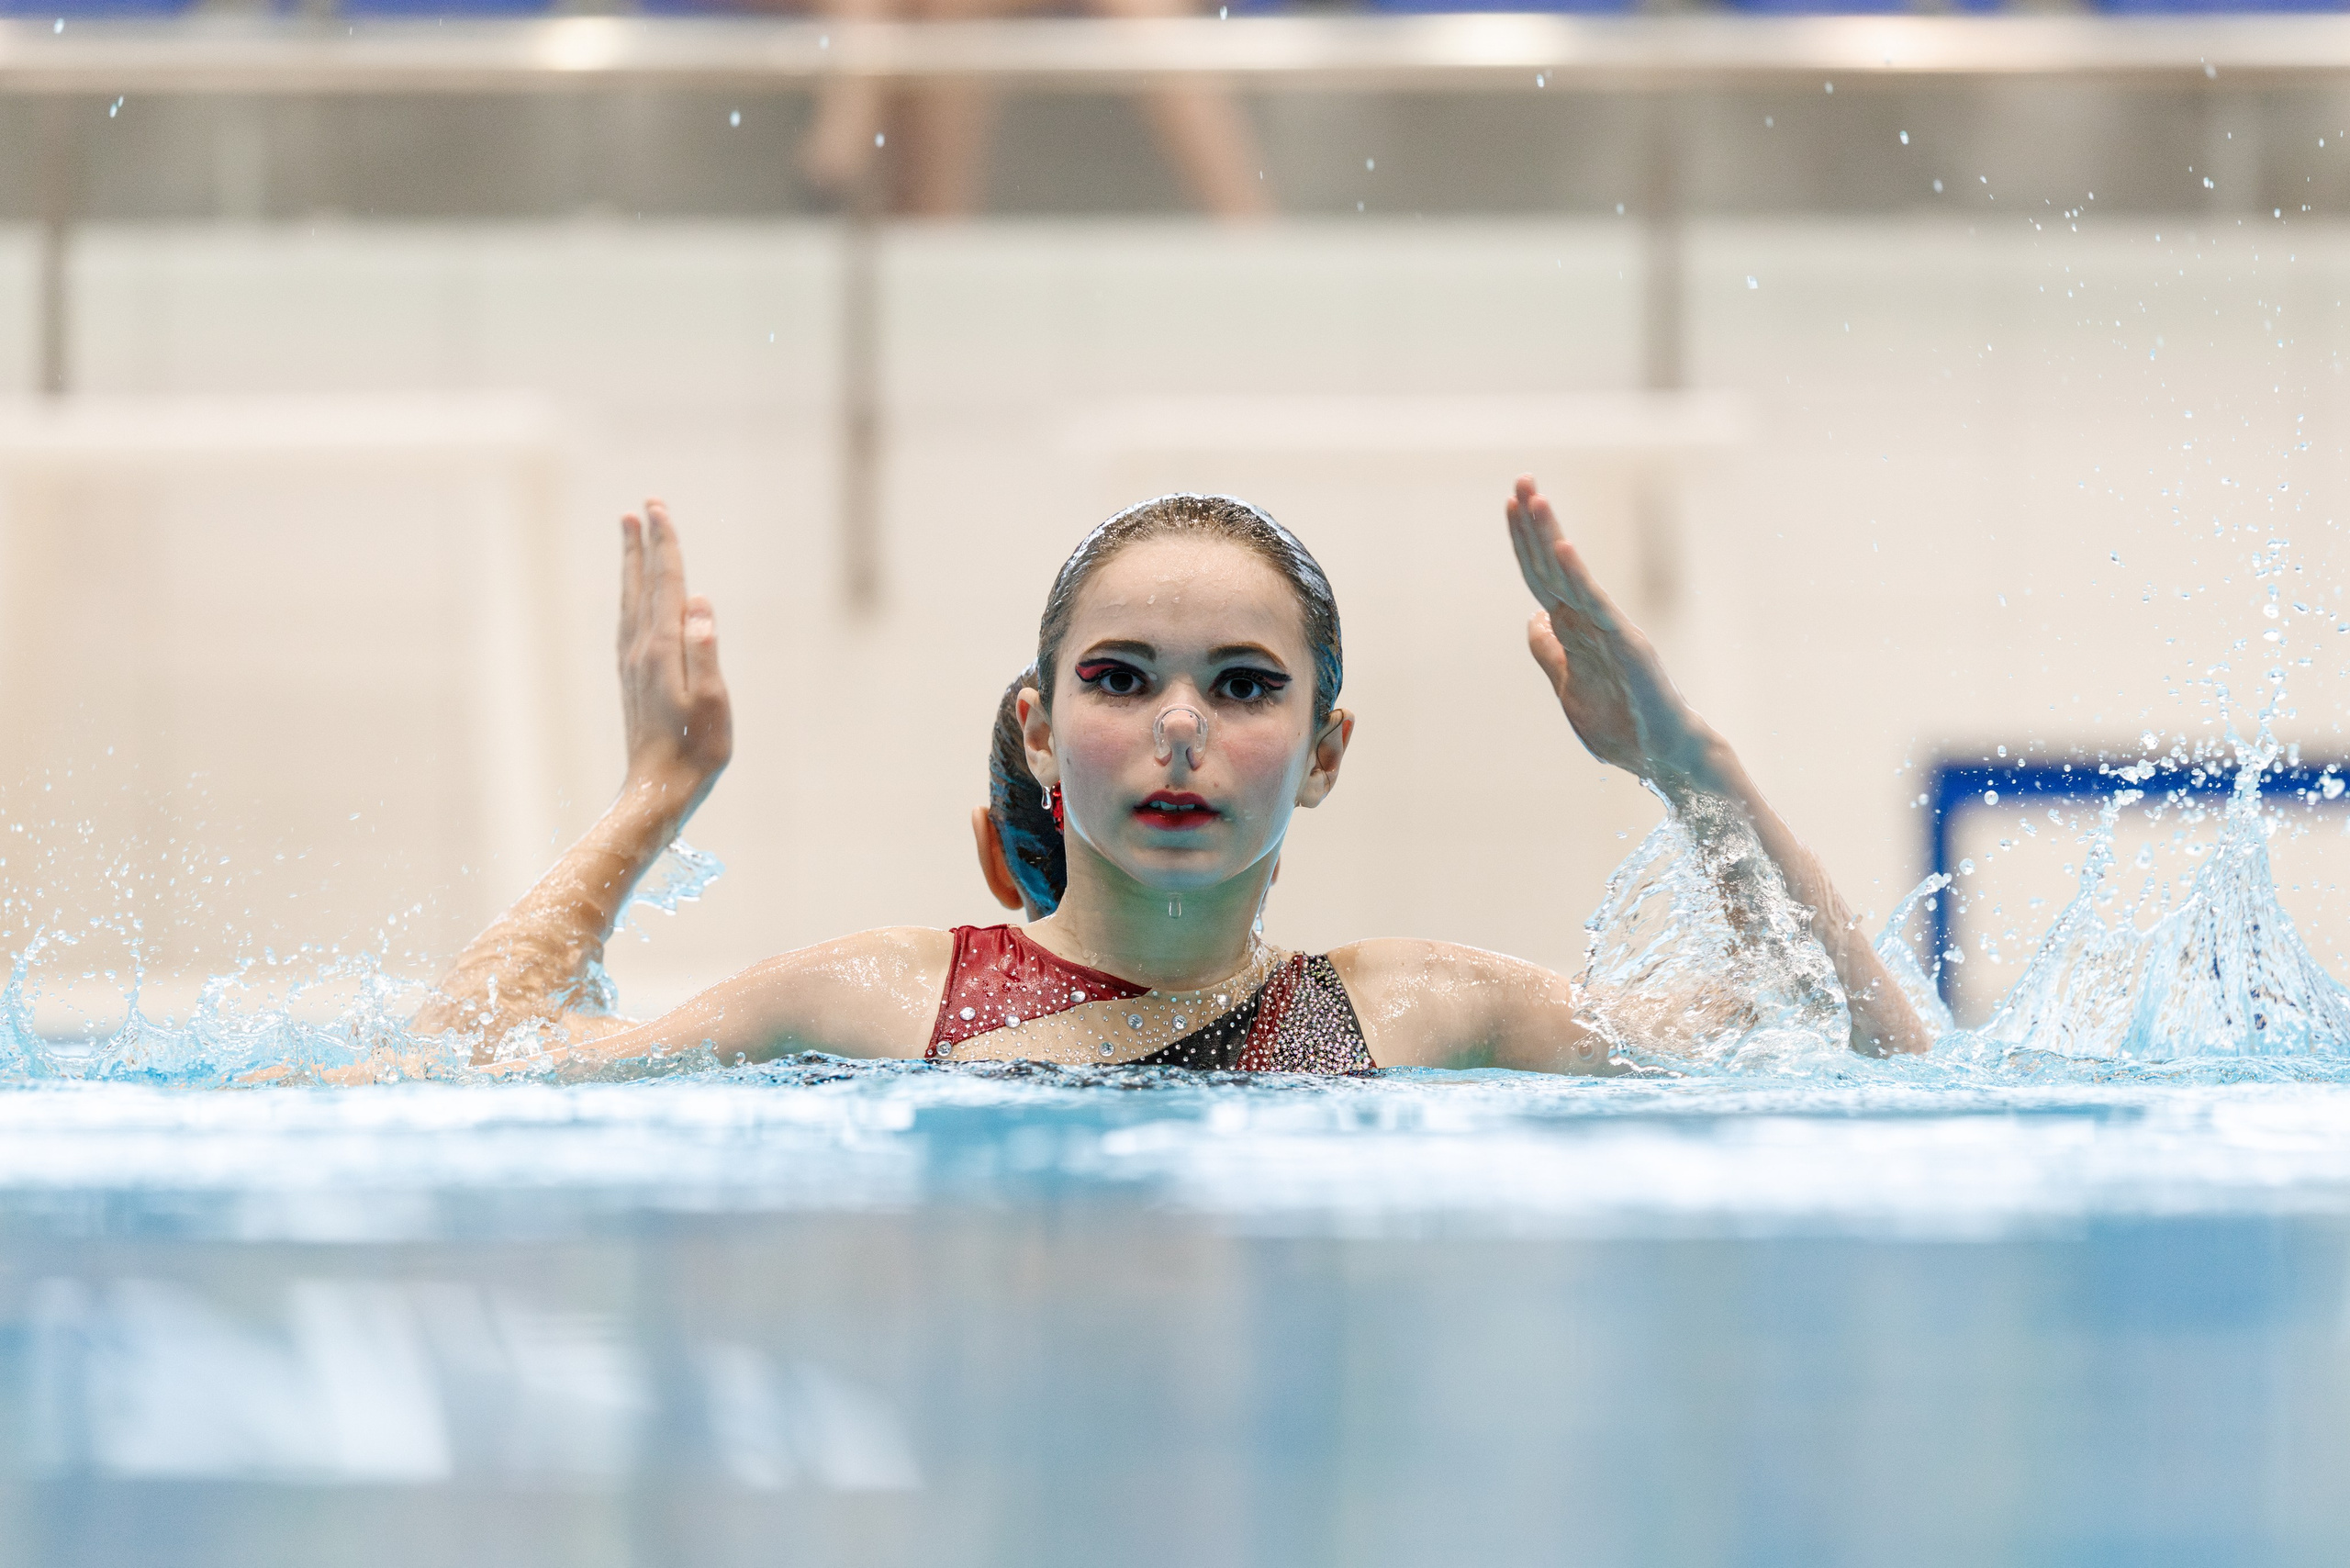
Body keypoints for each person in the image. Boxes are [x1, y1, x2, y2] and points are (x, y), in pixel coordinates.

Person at [386, 480, 1928, 1081]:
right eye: (1121, 680)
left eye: (1245, 687)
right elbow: (457, 1073)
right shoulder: (872, 999)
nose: (1179, 727)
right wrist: (654, 792)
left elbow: (1867, 1069)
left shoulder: (1423, 1012)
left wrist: (1690, 769)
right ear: (1041, 733)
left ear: (1325, 755)